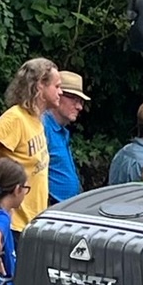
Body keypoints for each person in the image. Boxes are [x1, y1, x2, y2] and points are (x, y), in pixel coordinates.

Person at [0, 58, 58, 243]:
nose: (61, 91)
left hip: (32, 225)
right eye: (56, 86)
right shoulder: (15, 117)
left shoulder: (37, 121)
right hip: (13, 225)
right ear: (40, 86)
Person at [44, 70, 88, 204]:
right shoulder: (42, 126)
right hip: (49, 209)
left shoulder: (63, 130)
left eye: (80, 101)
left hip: (66, 208)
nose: (79, 107)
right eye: (73, 99)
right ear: (58, 95)